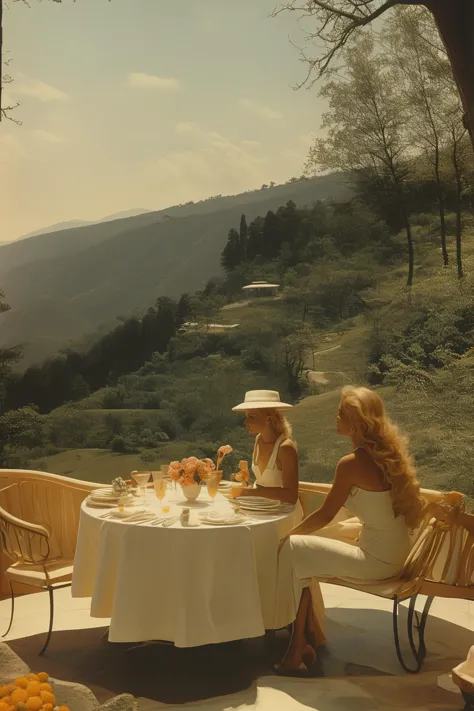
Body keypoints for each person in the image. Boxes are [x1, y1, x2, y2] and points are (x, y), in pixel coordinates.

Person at [276, 386, 426, 676]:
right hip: (397, 554)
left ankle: (295, 641)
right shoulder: (386, 456)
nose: (335, 417)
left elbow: (325, 515)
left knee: (292, 549)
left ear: (356, 424)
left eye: (341, 413)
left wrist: (289, 535)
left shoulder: (351, 464)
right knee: (305, 557)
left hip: (376, 562)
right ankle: (301, 645)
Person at [231, 390, 300, 506]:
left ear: (269, 418)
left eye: (252, 417)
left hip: (281, 512)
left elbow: (291, 496)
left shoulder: (286, 448)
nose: (245, 421)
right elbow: (262, 485)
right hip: (261, 506)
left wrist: (250, 492)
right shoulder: (259, 439)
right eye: (246, 417)